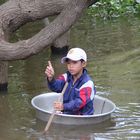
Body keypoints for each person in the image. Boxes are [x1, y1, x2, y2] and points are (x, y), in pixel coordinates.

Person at [45, 47, 96, 115]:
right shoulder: (66, 77)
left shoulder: (88, 83)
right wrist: (51, 78)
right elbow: (56, 87)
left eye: (74, 62)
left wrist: (63, 106)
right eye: (68, 63)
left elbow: (79, 102)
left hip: (83, 118)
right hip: (68, 114)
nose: (71, 66)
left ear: (83, 64)